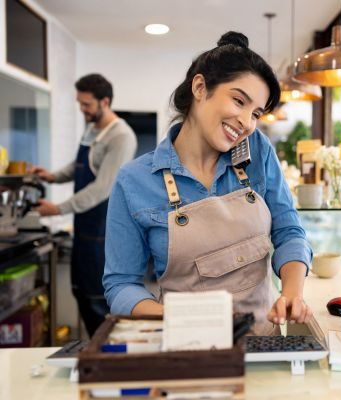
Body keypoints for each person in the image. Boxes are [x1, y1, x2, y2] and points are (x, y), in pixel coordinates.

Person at [103, 32, 313, 334]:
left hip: (260, 345)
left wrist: (292, 293)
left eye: (256, 113)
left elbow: (289, 231)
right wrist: (175, 320)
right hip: (185, 346)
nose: (246, 122)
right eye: (238, 101)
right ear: (200, 87)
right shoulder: (134, 181)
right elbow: (121, 285)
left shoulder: (258, 151)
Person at [33, 74, 137, 336]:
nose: (82, 110)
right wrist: (53, 176)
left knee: (98, 301)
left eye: (86, 104)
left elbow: (103, 188)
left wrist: (57, 208)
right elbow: (77, 166)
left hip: (103, 230)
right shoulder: (92, 129)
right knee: (80, 291)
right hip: (83, 227)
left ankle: (110, 359)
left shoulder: (121, 136)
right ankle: (96, 351)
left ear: (105, 101)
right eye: (80, 104)